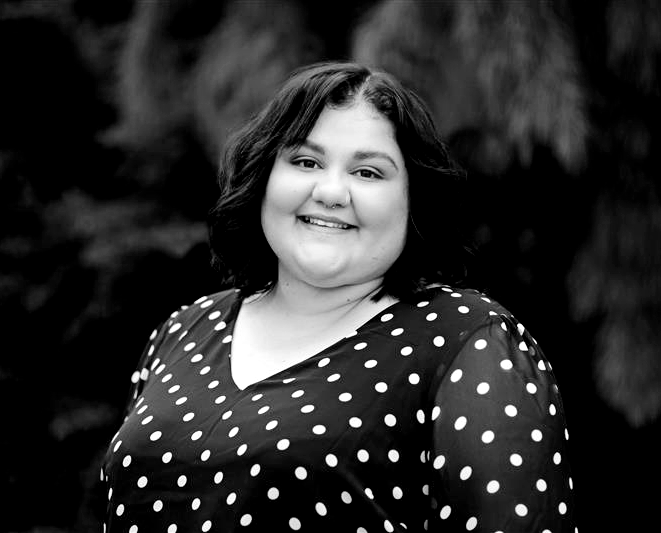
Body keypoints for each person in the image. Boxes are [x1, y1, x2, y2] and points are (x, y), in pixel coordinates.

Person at [101, 61, 577, 533]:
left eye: (368, 173)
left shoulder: (467, 340)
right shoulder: (183, 330)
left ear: (414, 200)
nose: (331, 192)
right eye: (305, 162)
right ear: (264, 178)